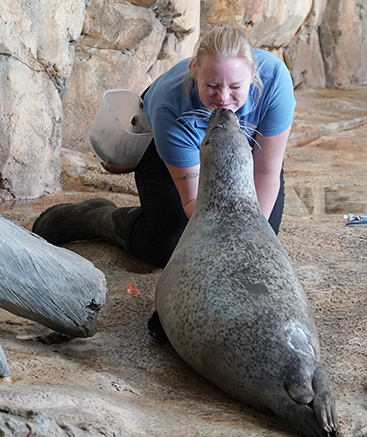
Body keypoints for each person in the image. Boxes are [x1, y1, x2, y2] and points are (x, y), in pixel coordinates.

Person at [33, 26, 296, 268]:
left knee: (261, 236)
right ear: (195, 70)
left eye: (236, 86)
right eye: (212, 85)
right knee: (167, 245)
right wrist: (228, 234)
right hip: (164, 141)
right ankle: (95, 218)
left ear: (254, 75)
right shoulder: (171, 107)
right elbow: (193, 201)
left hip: (237, 152)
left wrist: (250, 234)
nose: (223, 98)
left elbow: (265, 172)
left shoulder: (274, 82)